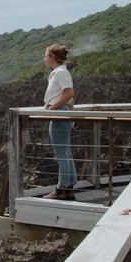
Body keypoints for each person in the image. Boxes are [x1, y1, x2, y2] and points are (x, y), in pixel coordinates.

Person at [42, 43, 77, 200]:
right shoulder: (61, 72)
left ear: (52, 57)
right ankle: (68, 188)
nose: (44, 59)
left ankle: (61, 189)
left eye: (46, 56)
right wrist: (71, 112)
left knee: (61, 154)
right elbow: (70, 95)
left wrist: (53, 108)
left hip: (59, 114)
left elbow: (69, 93)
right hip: (63, 112)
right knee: (66, 152)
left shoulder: (59, 73)